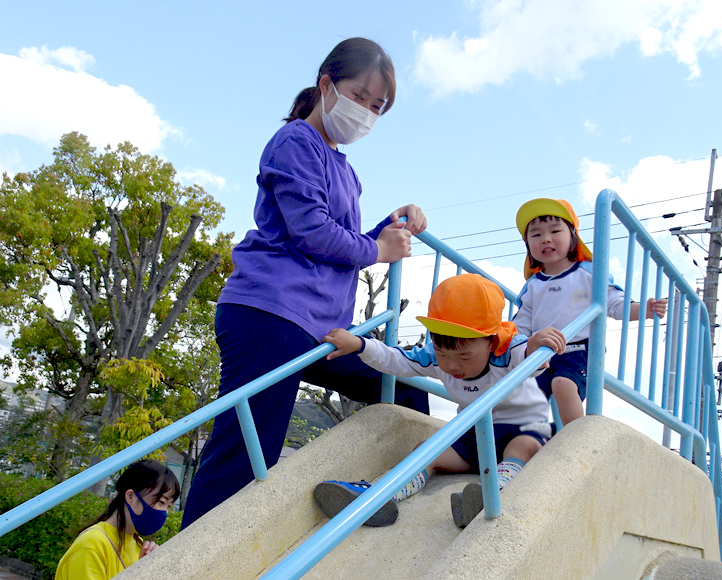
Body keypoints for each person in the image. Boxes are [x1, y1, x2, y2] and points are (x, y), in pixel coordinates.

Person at [181, 38, 428, 529]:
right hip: (270, 313)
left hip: (319, 328)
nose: (366, 112)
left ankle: (378, 490)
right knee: (245, 453)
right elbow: (312, 231)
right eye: (359, 96)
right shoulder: (296, 141)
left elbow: (342, 244)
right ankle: (190, 562)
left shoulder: (345, 169)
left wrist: (388, 227)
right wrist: (377, 249)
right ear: (325, 84)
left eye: (376, 107)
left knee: (402, 384)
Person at [316, 274, 566, 528]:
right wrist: (360, 345)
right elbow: (397, 360)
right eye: (441, 352)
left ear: (491, 342)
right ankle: (381, 497)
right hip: (473, 439)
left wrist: (535, 346)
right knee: (427, 449)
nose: (451, 365)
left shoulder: (509, 351)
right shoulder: (437, 360)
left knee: (524, 446)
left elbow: (530, 361)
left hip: (519, 430)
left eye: (465, 356)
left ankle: (491, 495)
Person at [513, 198, 668, 427]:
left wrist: (645, 309)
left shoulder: (588, 273)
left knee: (563, 384)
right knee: (520, 396)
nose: (545, 238)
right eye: (535, 235)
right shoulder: (533, 285)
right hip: (543, 354)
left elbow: (615, 305)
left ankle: (573, 442)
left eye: (555, 230)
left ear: (573, 236)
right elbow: (521, 327)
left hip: (581, 349)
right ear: (529, 247)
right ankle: (524, 444)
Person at [55, 460, 179, 580]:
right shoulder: (91, 545)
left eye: (168, 506)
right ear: (130, 496)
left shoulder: (140, 546)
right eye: (161, 502)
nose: (164, 512)